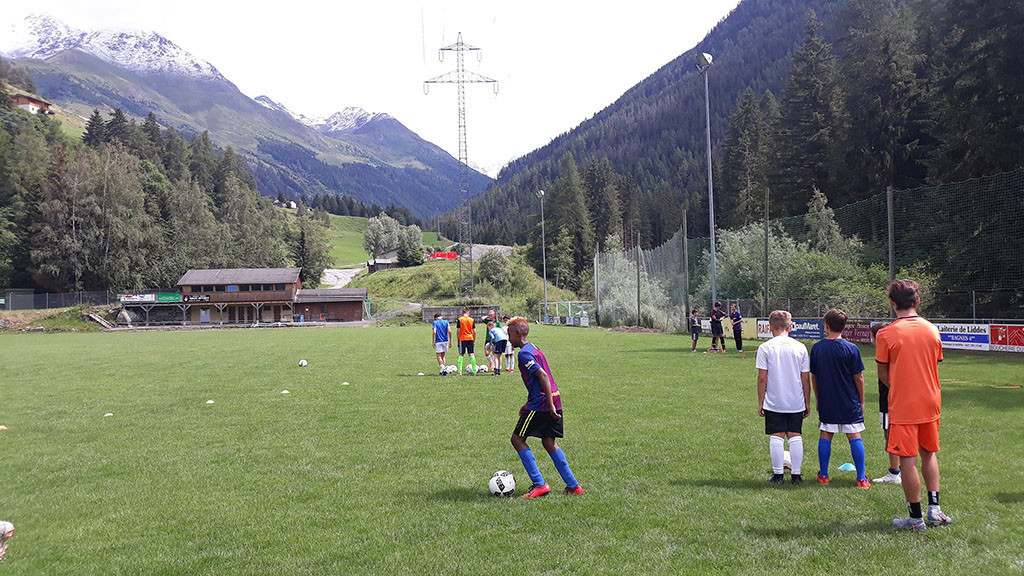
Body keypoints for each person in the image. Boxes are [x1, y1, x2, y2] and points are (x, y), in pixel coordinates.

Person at [876, 279, 951, 531]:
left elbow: (883, 373)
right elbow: (934, 363)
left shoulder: (885, 333)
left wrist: (899, 386)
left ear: (892, 303)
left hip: (903, 405)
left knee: (907, 460)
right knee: (929, 453)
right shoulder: (932, 329)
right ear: (918, 301)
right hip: (931, 400)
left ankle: (916, 519)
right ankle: (935, 510)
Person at [506, 316, 583, 498]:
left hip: (542, 404)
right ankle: (573, 486)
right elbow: (538, 380)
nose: (508, 338)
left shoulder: (524, 353)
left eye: (510, 334)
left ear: (518, 333)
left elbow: (543, 376)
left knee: (517, 439)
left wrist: (547, 405)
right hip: (553, 399)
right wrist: (531, 403)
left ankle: (540, 484)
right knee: (549, 442)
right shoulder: (534, 348)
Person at [810, 309, 869, 487]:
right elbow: (858, 377)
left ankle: (824, 476)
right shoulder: (851, 348)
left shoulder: (817, 348)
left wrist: (818, 398)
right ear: (844, 326)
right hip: (849, 400)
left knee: (826, 433)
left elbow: (815, 376)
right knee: (854, 434)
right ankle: (861, 478)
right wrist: (862, 401)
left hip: (828, 398)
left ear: (826, 326)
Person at [756, 310, 810, 484]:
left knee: (776, 435)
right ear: (790, 327)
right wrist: (807, 401)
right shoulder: (800, 347)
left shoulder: (765, 347)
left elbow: (762, 377)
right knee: (795, 435)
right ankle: (796, 475)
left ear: (770, 327)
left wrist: (760, 401)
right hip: (796, 400)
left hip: (774, 400)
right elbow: (805, 378)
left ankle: (778, 475)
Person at [869, 321, 902, 485]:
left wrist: (896, 391)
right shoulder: (897, 351)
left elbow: (885, 376)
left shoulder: (884, 354)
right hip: (898, 398)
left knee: (890, 434)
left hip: (890, 399)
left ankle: (894, 472)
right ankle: (902, 470)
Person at [456, 307, 477, 375]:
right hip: (470, 338)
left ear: (462, 313)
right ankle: (474, 370)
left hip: (462, 338)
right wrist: (474, 339)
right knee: (471, 354)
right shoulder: (471, 320)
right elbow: (474, 331)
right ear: (468, 312)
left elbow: (458, 331)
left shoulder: (460, 319)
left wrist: (458, 339)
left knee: (461, 354)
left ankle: (459, 371)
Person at [431, 312, 452, 376]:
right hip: (445, 340)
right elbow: (449, 331)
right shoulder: (446, 322)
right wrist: (451, 340)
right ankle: (442, 371)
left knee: (438, 355)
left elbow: (434, 332)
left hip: (438, 340)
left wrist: (433, 341)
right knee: (443, 355)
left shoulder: (435, 322)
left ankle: (443, 368)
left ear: (435, 318)